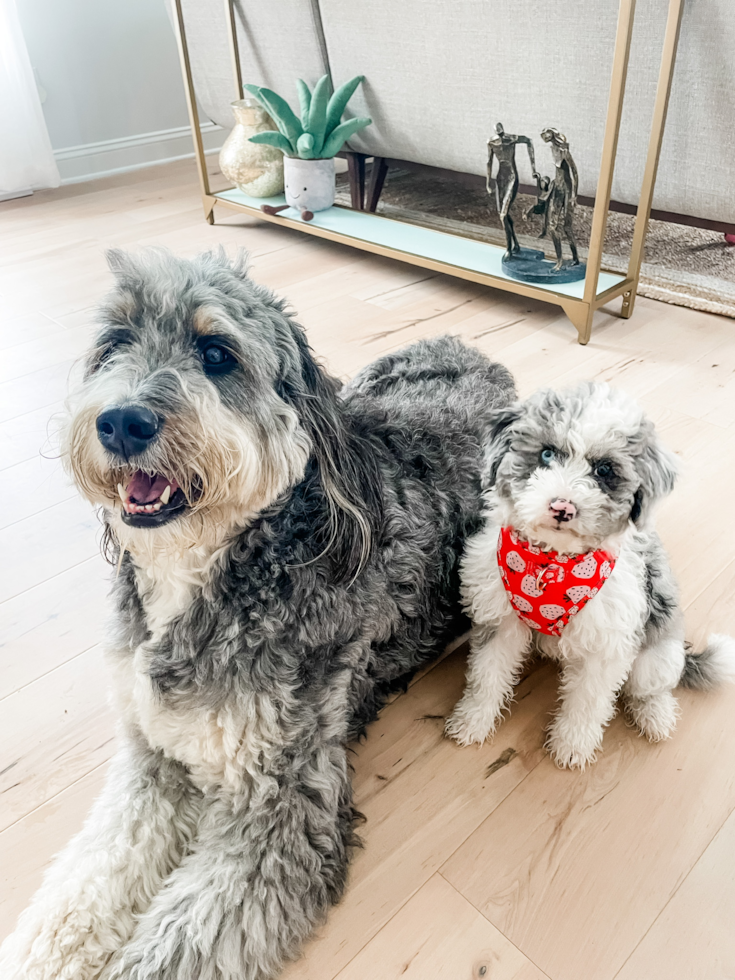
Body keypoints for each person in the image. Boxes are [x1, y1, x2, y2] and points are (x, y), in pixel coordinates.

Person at [487, 122, 538, 259]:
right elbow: (489, 162)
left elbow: (529, 141)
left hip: (511, 177)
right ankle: (515, 245)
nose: (500, 133)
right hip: (500, 178)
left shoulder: (511, 139)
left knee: (503, 215)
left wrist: (533, 168)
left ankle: (509, 249)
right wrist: (488, 183)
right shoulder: (491, 142)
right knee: (503, 214)